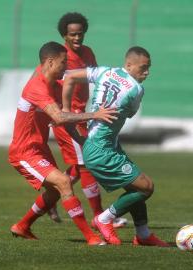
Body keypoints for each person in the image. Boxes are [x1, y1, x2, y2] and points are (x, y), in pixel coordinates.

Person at [8, 41, 118, 246]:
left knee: (54, 191)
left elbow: (65, 120)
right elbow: (59, 117)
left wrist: (84, 143)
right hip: (24, 152)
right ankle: (91, 237)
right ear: (49, 62)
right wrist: (95, 114)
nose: (66, 67)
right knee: (65, 182)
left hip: (40, 149)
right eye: (62, 62)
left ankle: (22, 226)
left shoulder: (56, 88)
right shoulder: (36, 87)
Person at [61, 46, 170, 246]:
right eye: (143, 68)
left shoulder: (105, 71)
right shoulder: (136, 89)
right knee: (146, 187)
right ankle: (104, 219)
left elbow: (69, 77)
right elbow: (129, 113)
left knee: (136, 187)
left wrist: (66, 110)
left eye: (149, 68)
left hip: (99, 145)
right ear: (129, 65)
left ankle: (143, 235)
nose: (147, 72)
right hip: (102, 150)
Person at [47, 12, 127, 229]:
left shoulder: (88, 52)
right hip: (67, 118)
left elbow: (98, 79)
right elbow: (52, 85)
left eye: (80, 34)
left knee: (78, 165)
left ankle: (49, 200)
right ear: (64, 35)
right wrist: (59, 112)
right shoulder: (61, 58)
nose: (77, 38)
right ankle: (100, 217)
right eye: (72, 34)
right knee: (87, 165)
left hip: (82, 114)